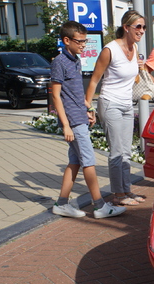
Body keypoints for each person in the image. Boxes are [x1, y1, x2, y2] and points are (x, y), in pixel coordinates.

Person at [50, 21, 125, 219]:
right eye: (80, 41)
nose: (84, 45)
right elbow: (56, 96)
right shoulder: (59, 62)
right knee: (88, 161)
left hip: (78, 116)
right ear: (67, 40)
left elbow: (74, 93)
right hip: (72, 121)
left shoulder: (75, 59)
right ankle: (100, 206)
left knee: (74, 162)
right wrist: (66, 125)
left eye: (85, 41)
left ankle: (62, 204)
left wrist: (88, 108)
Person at [85, 10, 147, 207]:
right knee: (116, 151)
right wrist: (88, 107)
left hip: (127, 105)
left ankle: (126, 190)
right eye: (138, 26)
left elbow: (133, 77)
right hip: (110, 103)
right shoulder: (109, 50)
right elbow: (94, 81)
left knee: (127, 152)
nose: (142, 30)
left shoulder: (135, 48)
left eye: (144, 27)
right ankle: (118, 194)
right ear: (126, 27)